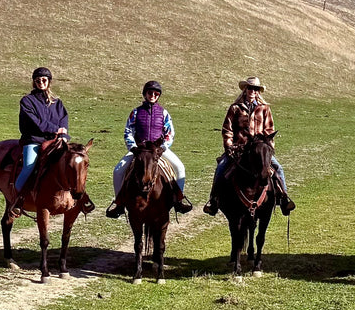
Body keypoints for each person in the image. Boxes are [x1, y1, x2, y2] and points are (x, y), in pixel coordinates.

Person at [204, 77, 294, 216]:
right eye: (250, 88)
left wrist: (267, 148)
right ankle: (214, 200)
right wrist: (229, 146)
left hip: (259, 150)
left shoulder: (265, 109)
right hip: (238, 150)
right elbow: (227, 130)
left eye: (256, 89)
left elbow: (269, 131)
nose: (253, 91)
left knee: (278, 168)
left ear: (258, 92)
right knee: (221, 167)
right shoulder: (235, 108)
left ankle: (284, 199)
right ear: (245, 89)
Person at [107, 80, 193, 218]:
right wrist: (133, 147)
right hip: (139, 150)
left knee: (180, 167)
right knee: (118, 171)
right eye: (150, 93)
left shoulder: (164, 113)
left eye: (156, 93)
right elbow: (128, 131)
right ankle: (119, 204)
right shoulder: (135, 112)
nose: (152, 95)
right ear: (145, 94)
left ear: (158, 96)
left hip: (158, 150)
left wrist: (163, 148)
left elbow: (169, 132)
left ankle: (178, 200)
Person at [13, 67, 85, 211]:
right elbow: (35, 122)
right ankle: (17, 199)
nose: (41, 82)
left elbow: (63, 121)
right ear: (34, 83)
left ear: (49, 82)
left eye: (44, 80)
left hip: (55, 140)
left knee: (74, 163)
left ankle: (81, 198)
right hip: (34, 140)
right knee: (29, 166)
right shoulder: (27, 101)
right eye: (38, 80)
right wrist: (55, 129)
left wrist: (63, 136)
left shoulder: (57, 103)